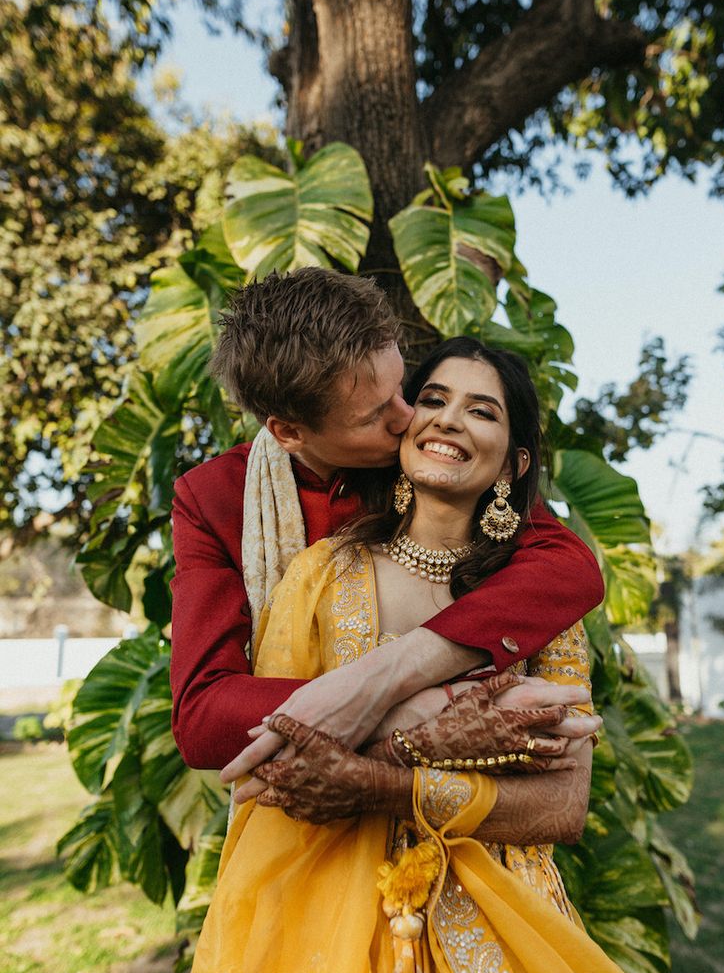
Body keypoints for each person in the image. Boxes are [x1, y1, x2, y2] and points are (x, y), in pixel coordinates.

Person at [183, 339, 688, 973]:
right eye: (432, 400)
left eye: (481, 411)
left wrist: (388, 781)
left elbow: (562, 807)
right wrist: (428, 728)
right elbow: (275, 764)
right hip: (331, 929)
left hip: (508, 918)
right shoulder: (321, 574)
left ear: (515, 464)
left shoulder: (539, 592)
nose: (444, 420)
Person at [170, 267, 606, 772]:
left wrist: (384, 676)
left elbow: (567, 569)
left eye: (404, 388)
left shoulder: (433, 466)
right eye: (374, 415)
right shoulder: (216, 499)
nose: (408, 418)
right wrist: (414, 711)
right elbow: (203, 717)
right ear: (288, 432)